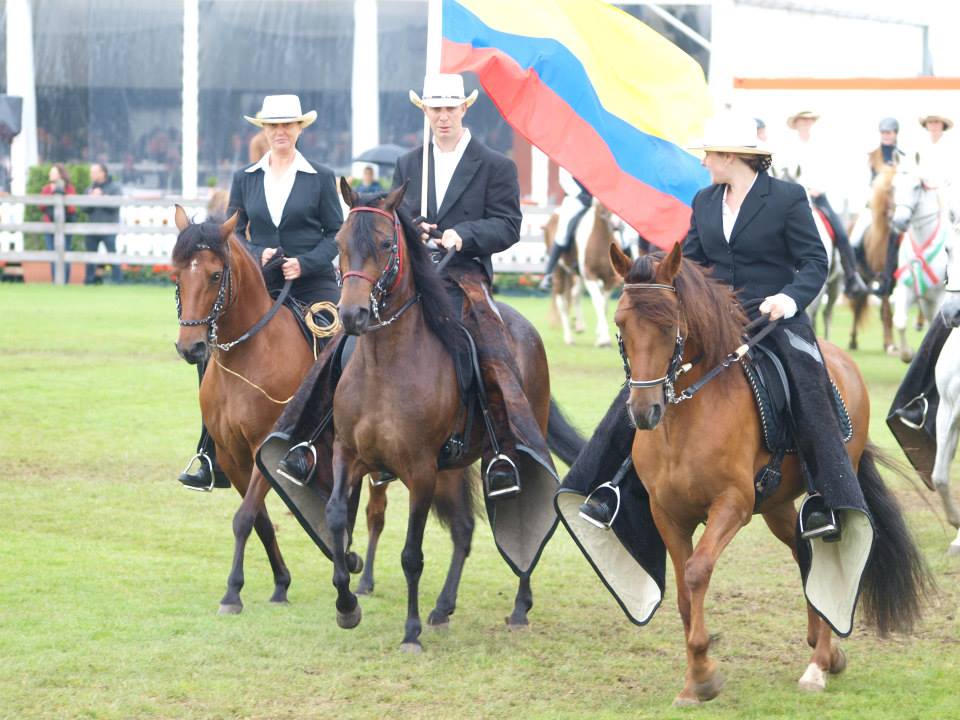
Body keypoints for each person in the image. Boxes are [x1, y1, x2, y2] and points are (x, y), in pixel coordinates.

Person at [579, 113, 862, 541]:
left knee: (805, 380)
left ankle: (825, 495)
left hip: (774, 317)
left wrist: (787, 299)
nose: (704, 161)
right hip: (717, 321)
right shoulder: (706, 200)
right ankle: (610, 485)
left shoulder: (787, 197)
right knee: (645, 377)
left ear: (731, 156)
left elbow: (814, 262)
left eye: (709, 154)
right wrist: (655, 279)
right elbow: (690, 263)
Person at [279, 73, 554, 498]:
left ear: (464, 108)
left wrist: (464, 234)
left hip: (464, 275)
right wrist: (415, 228)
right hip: (411, 276)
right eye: (435, 109)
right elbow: (394, 220)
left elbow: (508, 225)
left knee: (488, 346)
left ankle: (501, 449)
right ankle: (309, 439)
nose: (442, 116)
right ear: (425, 111)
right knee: (343, 342)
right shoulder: (410, 163)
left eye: (449, 108)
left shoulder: (496, 165)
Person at [178, 94, 343, 490]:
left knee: (338, 346)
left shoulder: (321, 176)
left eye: (287, 125)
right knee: (212, 344)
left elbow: (337, 233)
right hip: (262, 282)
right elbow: (232, 234)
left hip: (312, 283)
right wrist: (257, 252)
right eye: (273, 126)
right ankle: (209, 451)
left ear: (299, 129)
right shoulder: (246, 177)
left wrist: (305, 262)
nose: (280, 132)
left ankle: (321, 439)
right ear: (264, 130)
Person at [779, 111, 867, 297]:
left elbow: (829, 172)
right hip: (792, 197)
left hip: (817, 197)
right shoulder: (787, 148)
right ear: (796, 122)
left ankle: (851, 277)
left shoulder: (821, 145)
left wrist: (817, 188)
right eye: (802, 119)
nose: (806, 122)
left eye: (808, 119)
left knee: (841, 234)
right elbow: (783, 174)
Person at [538, 167, 592, 291]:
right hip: (575, 200)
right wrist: (580, 194)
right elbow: (565, 179)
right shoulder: (569, 158)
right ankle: (548, 274)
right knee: (562, 235)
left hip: (595, 200)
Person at [83, 162, 123, 285]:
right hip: (92, 227)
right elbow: (84, 208)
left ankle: (117, 281)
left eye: (94, 172)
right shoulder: (90, 188)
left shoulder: (114, 188)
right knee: (90, 256)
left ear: (103, 173)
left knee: (112, 255)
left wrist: (102, 197)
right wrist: (91, 199)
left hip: (109, 227)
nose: (91, 175)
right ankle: (89, 281)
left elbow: (115, 205)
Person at [38, 164, 77, 281]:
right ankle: (56, 280)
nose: (50, 174)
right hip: (49, 225)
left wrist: (61, 194)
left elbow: (72, 208)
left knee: (66, 252)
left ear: (60, 174)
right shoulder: (46, 189)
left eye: (53, 172)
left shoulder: (69, 188)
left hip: (66, 225)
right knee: (52, 253)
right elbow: (41, 206)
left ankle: (65, 280)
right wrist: (53, 193)